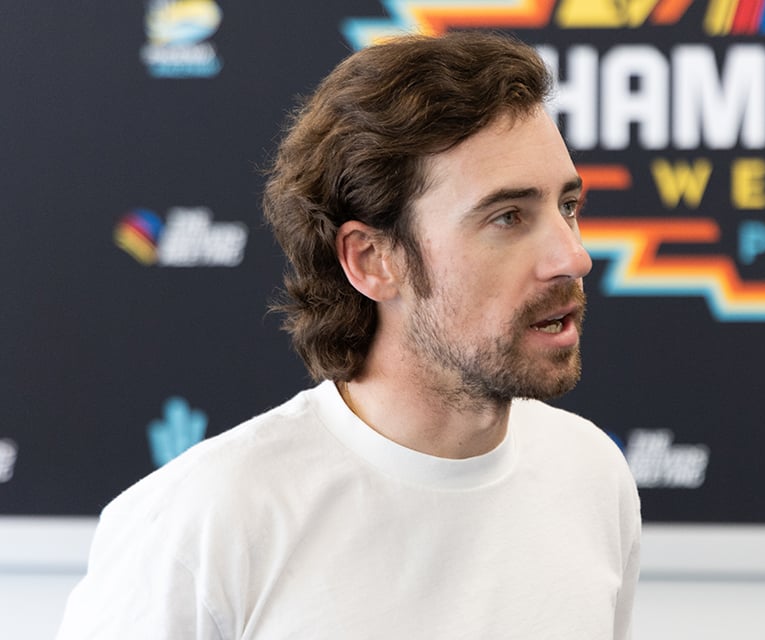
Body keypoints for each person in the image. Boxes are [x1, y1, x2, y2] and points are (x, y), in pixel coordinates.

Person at [57, 30, 641, 638]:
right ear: (371, 261)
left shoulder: (592, 474)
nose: (572, 257)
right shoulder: (200, 526)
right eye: (507, 217)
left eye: (567, 206)